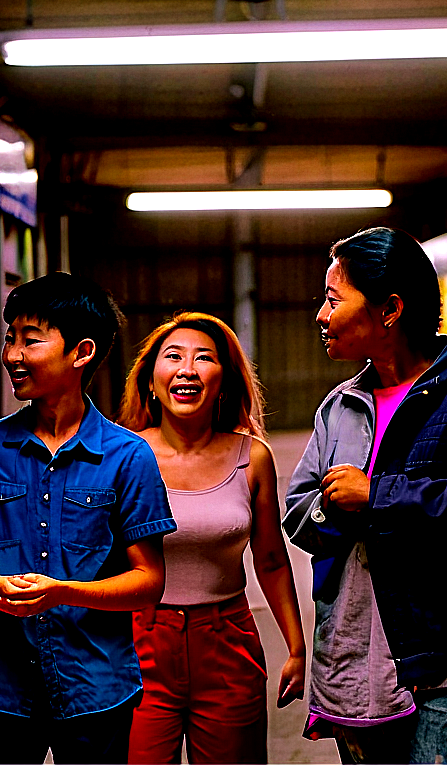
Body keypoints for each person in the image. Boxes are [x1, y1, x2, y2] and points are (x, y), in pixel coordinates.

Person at [0, 273, 177, 765]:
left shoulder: (127, 457)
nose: (12, 356)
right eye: (10, 339)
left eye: (30, 340)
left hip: (96, 686)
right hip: (1, 690)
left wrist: (62, 592)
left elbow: (149, 582)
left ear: (81, 352)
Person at [283, 227, 447, 765]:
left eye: (332, 300)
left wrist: (376, 497)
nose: (321, 316)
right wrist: (334, 507)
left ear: (390, 310)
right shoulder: (341, 405)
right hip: (356, 663)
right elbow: (298, 513)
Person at [117, 311, 306, 764]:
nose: (188, 369)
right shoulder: (120, 456)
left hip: (227, 644)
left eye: (204, 359)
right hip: (138, 644)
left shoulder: (252, 457)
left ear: (223, 382)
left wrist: (297, 648)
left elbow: (272, 561)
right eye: (174, 356)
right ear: (151, 380)